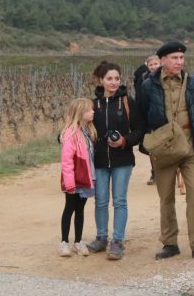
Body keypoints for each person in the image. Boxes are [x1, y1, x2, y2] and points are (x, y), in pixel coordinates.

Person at [135, 41, 194, 260]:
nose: (179, 62)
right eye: (174, 58)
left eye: (181, 58)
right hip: (164, 148)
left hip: (189, 145)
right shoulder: (148, 85)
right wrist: (147, 145)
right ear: (163, 61)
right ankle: (170, 243)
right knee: (166, 196)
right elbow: (142, 115)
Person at [86, 61, 140, 260]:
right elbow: (82, 128)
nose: (114, 82)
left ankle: (117, 241)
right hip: (99, 160)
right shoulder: (93, 105)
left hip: (122, 160)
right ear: (101, 80)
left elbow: (139, 130)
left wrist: (124, 141)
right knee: (100, 200)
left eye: (117, 78)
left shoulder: (127, 102)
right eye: (110, 78)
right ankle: (101, 238)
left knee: (119, 200)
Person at [59, 98, 97, 257]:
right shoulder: (70, 133)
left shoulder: (87, 132)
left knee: (80, 210)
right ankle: (64, 242)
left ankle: (78, 241)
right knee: (69, 209)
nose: (93, 112)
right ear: (81, 113)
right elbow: (67, 161)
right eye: (90, 110)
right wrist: (69, 184)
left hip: (86, 178)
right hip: (74, 180)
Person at [135, 55, 160, 185]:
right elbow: (139, 98)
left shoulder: (166, 77)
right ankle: (155, 172)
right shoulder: (143, 79)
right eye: (151, 65)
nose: (154, 66)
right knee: (151, 147)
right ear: (147, 66)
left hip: (163, 119)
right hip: (149, 118)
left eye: (156, 64)